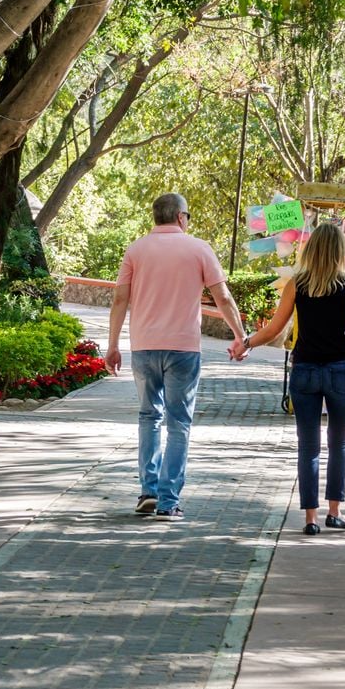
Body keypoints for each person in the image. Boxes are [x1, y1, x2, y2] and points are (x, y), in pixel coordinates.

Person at [107, 193, 246, 521]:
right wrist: (241, 336)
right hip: (183, 349)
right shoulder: (199, 249)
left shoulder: (136, 250)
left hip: (143, 346)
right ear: (181, 217)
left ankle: (148, 492)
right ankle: (168, 502)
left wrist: (112, 345)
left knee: (148, 418)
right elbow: (222, 296)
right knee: (179, 423)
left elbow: (119, 299)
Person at [229, 221, 345, 535]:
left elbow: (275, 328)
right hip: (340, 371)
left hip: (304, 371)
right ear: (340, 252)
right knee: (340, 443)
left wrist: (245, 343)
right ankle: (335, 511)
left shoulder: (297, 285)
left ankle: (310, 519)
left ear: (313, 249)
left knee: (308, 447)